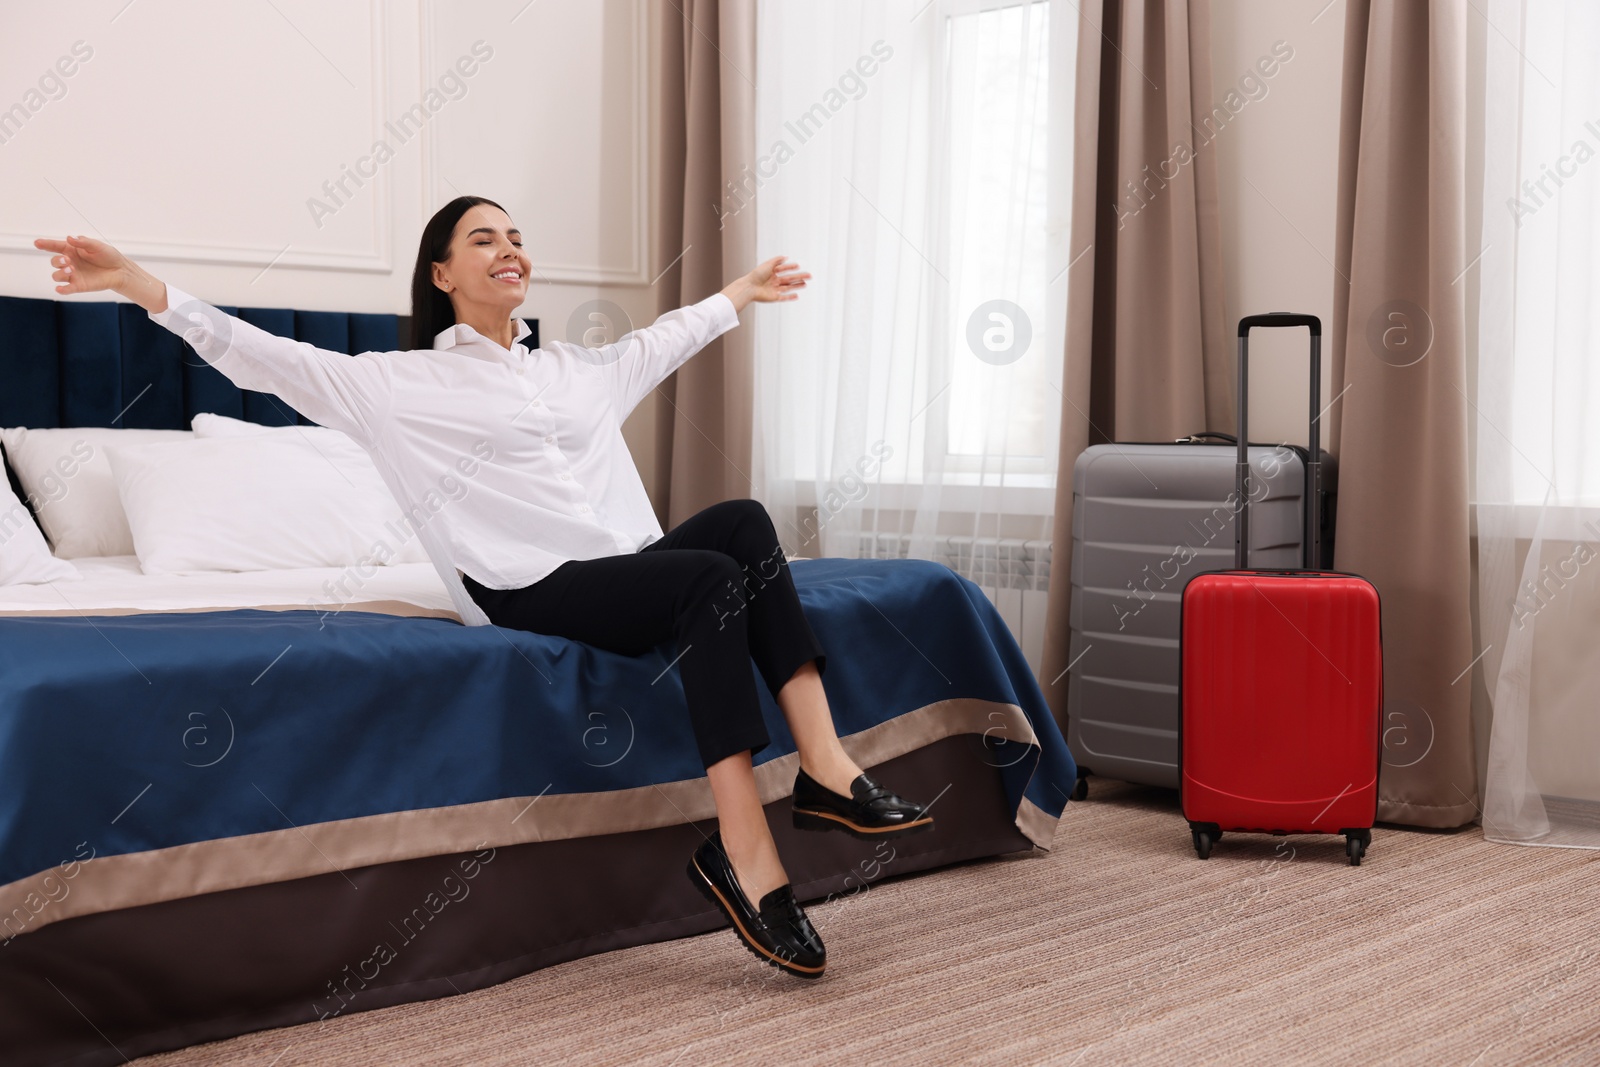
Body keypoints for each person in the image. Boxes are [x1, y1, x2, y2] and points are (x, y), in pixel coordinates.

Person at [34, 195, 933, 980]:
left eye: (516, 235)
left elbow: (669, 336)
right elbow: (260, 355)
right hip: (524, 583)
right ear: (441, 272)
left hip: (619, 566)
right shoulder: (395, 382)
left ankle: (825, 765)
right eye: (482, 238)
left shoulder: (573, 369)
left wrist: (739, 293)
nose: (510, 248)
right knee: (707, 580)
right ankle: (743, 848)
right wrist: (138, 284)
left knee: (741, 522)